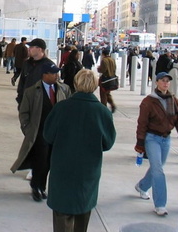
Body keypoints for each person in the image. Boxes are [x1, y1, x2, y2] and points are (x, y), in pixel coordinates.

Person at [44, 69, 116, 232]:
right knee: (83, 211)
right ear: (96, 86)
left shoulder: (61, 108)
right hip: (88, 170)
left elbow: (48, 135)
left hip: (62, 168)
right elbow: (108, 143)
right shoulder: (102, 112)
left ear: (76, 84)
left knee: (62, 213)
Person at [134, 72, 178, 216]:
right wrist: (140, 143)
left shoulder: (173, 100)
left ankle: (142, 186)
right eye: (162, 80)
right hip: (152, 138)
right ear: (156, 82)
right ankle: (160, 205)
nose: (165, 83)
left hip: (166, 139)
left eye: (167, 81)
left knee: (157, 168)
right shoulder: (148, 102)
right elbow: (142, 124)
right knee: (158, 171)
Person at [11, 63, 70, 202]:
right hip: (39, 133)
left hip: (56, 134)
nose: (57, 76)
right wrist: (27, 129)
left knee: (49, 162)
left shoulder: (64, 89)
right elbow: (24, 112)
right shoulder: (32, 92)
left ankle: (41, 186)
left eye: (57, 73)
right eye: (53, 73)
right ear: (44, 75)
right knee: (40, 161)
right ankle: (36, 186)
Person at [16, 38, 54, 106]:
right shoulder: (26, 64)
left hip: (41, 105)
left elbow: (52, 88)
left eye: (31, 47)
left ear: (39, 49)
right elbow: (22, 82)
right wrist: (20, 99)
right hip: (26, 102)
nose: (29, 49)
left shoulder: (49, 65)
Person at [97, 49, 117, 113]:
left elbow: (102, 70)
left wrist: (98, 68)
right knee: (107, 93)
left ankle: (103, 109)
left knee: (103, 95)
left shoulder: (104, 60)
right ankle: (112, 105)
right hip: (111, 79)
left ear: (103, 54)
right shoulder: (112, 59)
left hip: (105, 80)